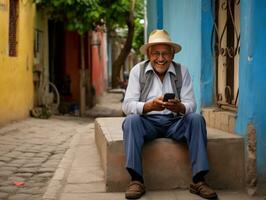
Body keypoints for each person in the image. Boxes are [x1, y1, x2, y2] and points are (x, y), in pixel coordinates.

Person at [122, 29, 218, 199]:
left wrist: (180, 107)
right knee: (131, 121)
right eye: (156, 54)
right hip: (147, 123)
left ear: (172, 55)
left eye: (165, 53)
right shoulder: (138, 71)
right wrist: (149, 106)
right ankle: (136, 180)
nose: (160, 58)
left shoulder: (182, 71)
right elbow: (127, 105)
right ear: (149, 55)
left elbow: (191, 104)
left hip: (175, 122)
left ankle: (199, 180)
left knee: (196, 119)